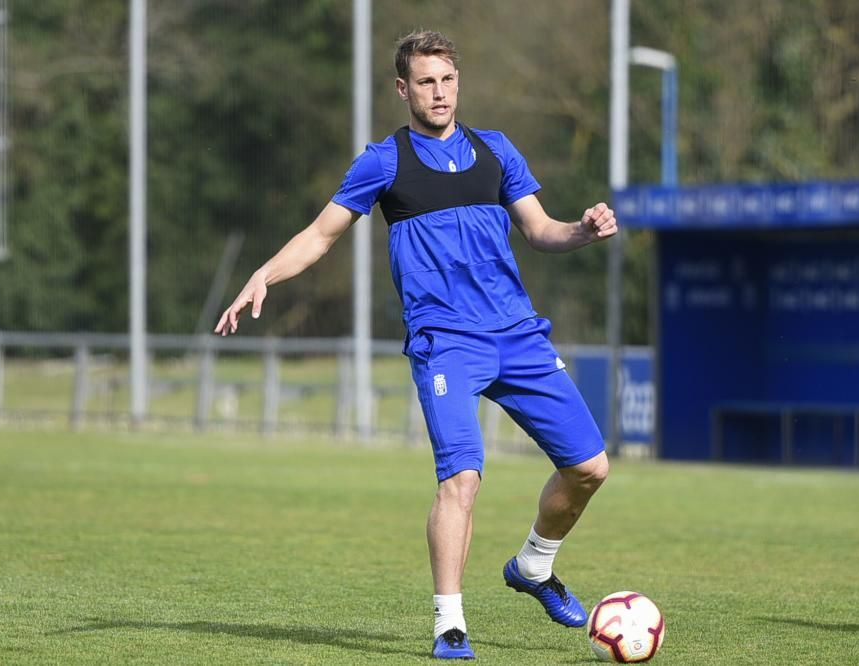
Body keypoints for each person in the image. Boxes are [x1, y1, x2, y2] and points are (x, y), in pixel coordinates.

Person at [215, 29, 617, 660]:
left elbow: (541, 231)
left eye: (448, 79)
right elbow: (321, 235)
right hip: (446, 344)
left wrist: (583, 232)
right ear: (403, 88)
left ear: (459, 82)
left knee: (590, 468)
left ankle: (534, 566)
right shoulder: (384, 161)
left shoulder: (495, 151)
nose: (439, 92)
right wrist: (263, 274)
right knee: (461, 477)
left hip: (518, 335)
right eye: (426, 81)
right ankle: (450, 625)